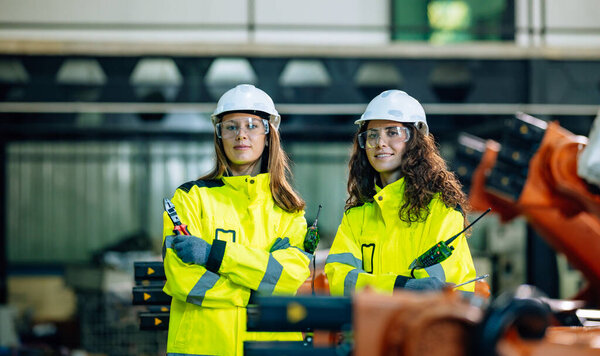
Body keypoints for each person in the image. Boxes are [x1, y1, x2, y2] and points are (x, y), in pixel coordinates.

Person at [162, 84, 312, 355]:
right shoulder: (190, 198)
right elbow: (184, 280)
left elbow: (288, 280)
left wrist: (213, 256)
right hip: (203, 346)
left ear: (269, 135)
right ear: (219, 136)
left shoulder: (289, 210)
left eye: (252, 125)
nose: (241, 135)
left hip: (271, 347)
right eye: (230, 127)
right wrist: (255, 290)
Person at [324, 90, 476, 296]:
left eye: (392, 132)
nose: (380, 143)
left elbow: (436, 289)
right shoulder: (356, 216)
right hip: (371, 328)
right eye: (372, 135)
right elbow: (339, 281)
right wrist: (401, 285)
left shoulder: (442, 211)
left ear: (415, 141)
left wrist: (371, 285)